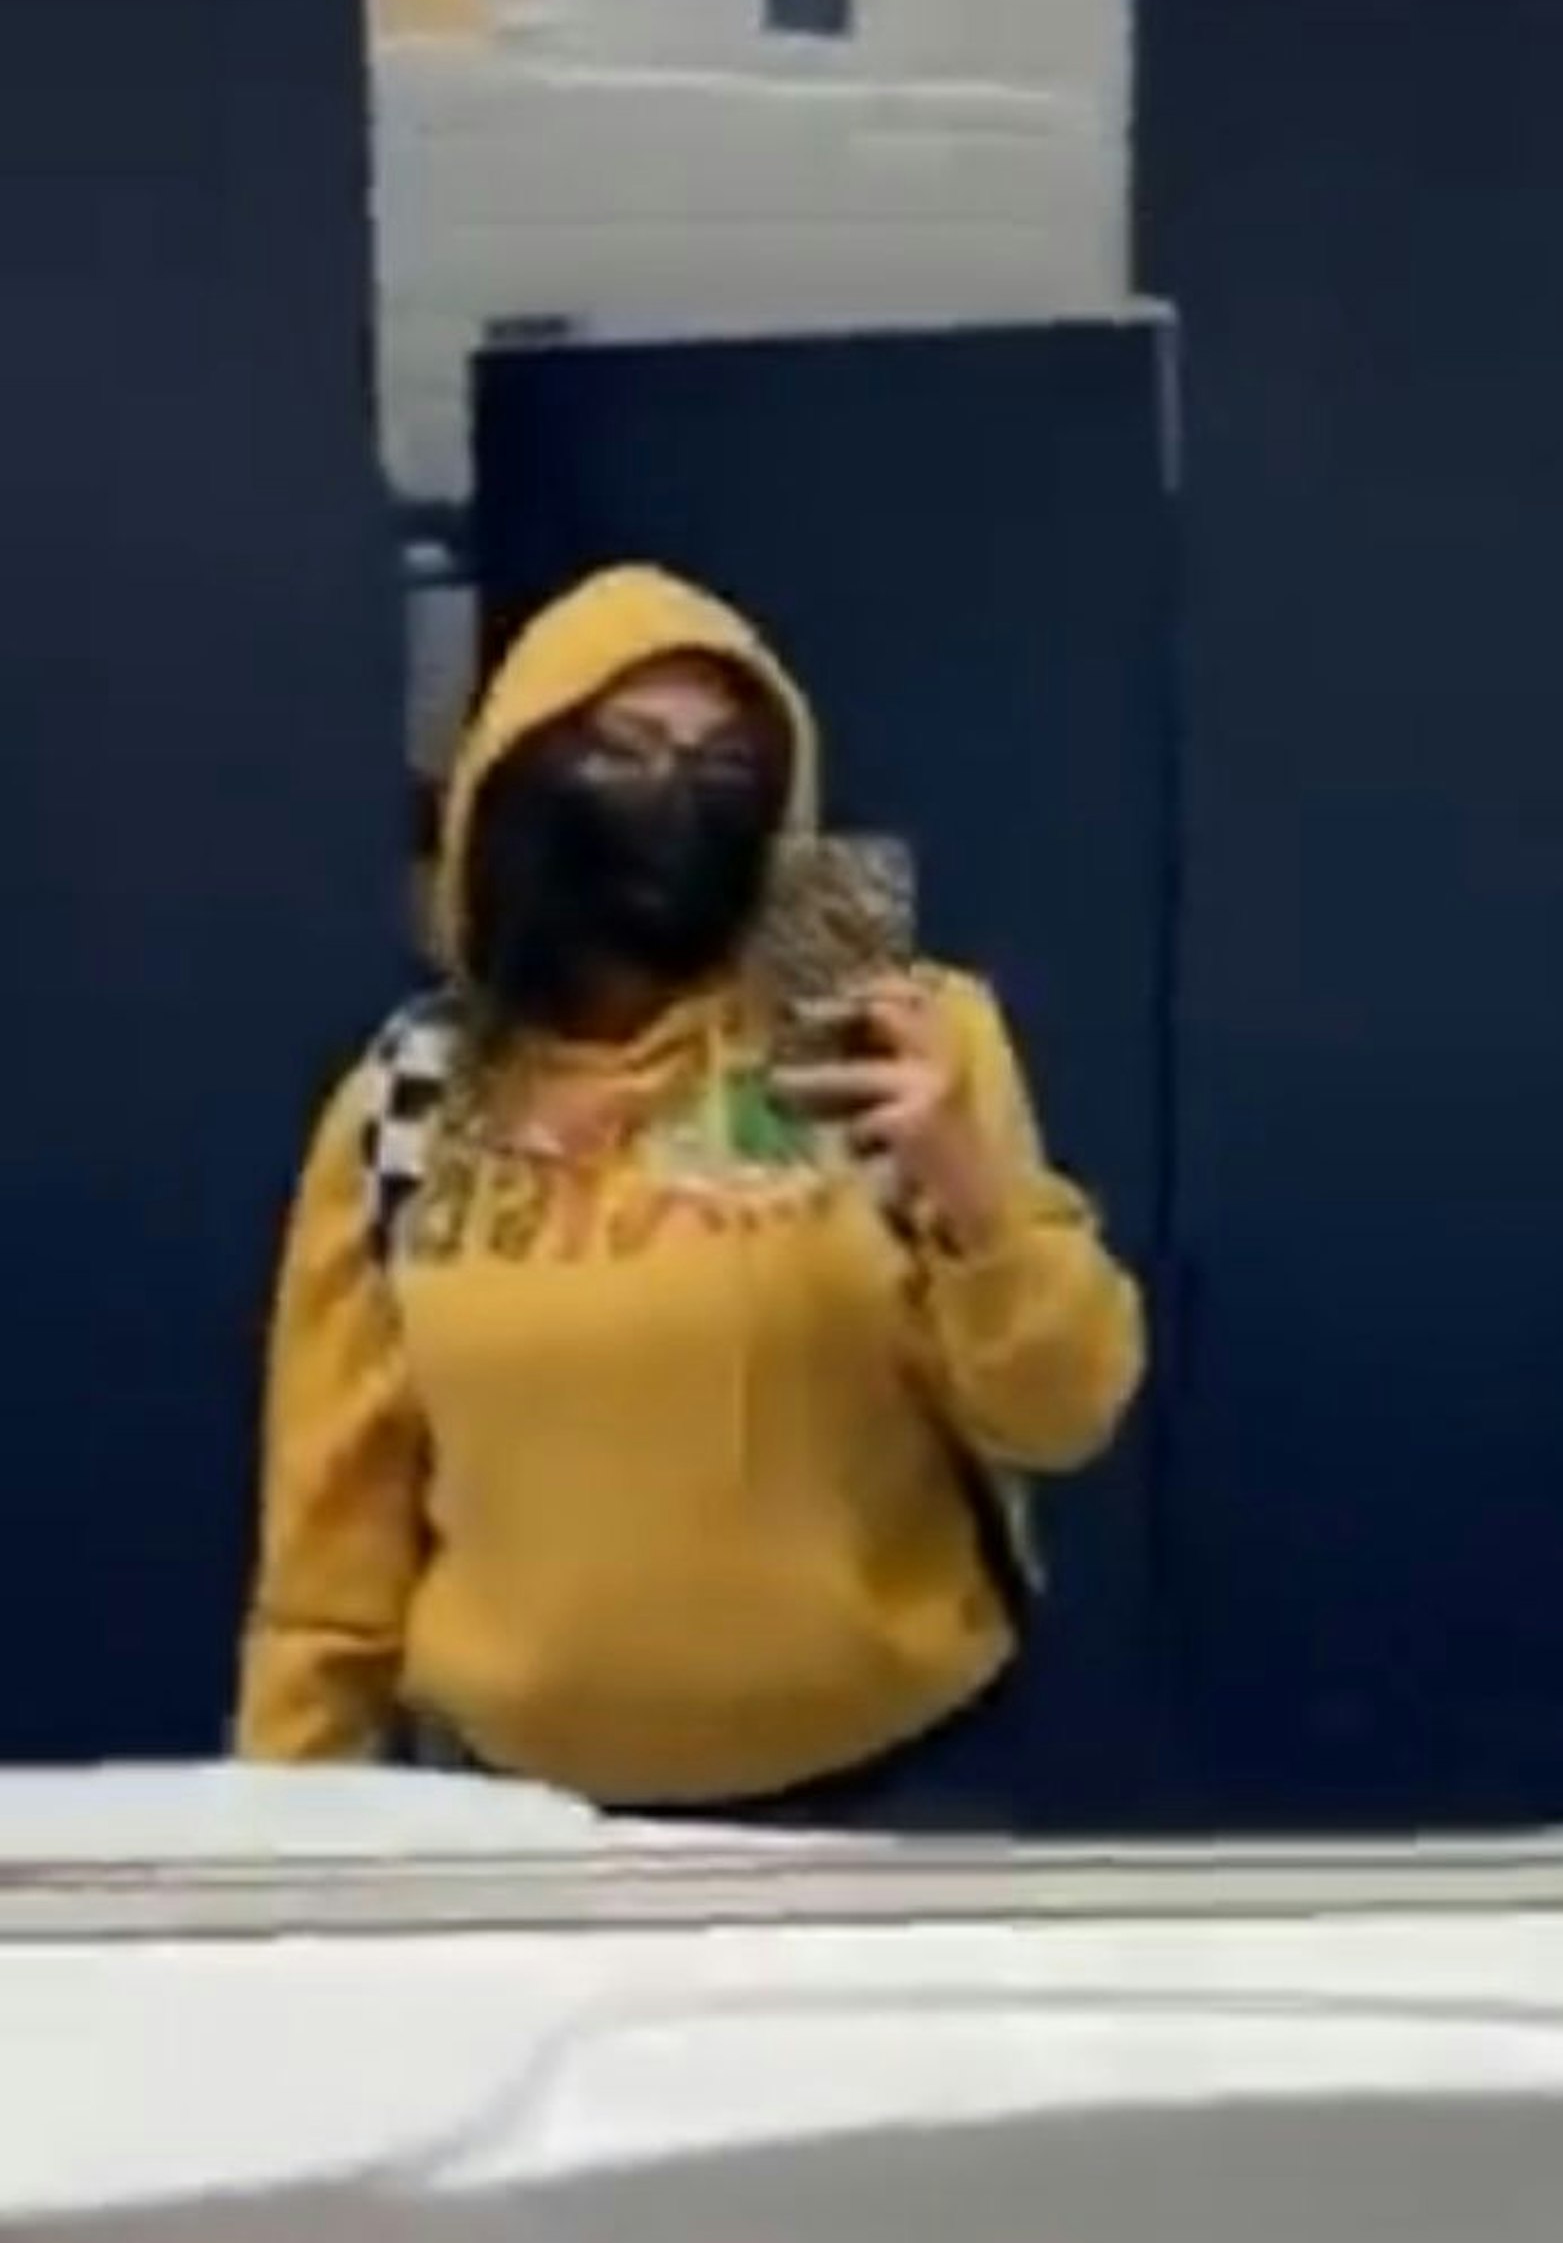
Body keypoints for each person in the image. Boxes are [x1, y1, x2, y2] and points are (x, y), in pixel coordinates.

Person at [234, 565, 1144, 1818]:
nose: (675, 796)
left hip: (897, 1793)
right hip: (524, 1822)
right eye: (624, 750)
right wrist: (287, 1835)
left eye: (725, 765)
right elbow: (329, 1547)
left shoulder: (885, 1034)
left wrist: (972, 1195)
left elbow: (1063, 1413)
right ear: (516, 784)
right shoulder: (409, 1096)